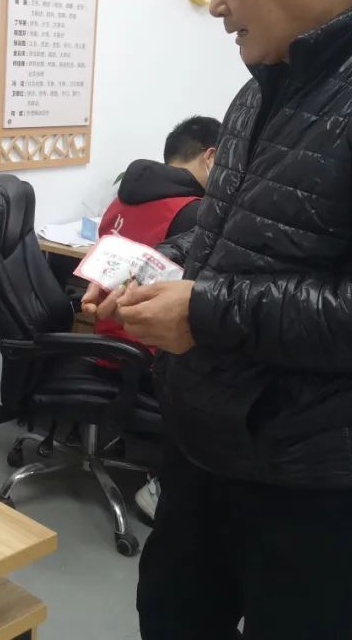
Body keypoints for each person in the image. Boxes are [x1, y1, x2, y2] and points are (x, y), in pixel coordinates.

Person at [83, 0, 352, 640]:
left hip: (324, 485)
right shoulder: (263, 86)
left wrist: (204, 312)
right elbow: (225, 229)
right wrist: (151, 270)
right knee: (169, 618)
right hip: (209, 454)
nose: (213, 5)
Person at [94, 115, 221, 520]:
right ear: (211, 157)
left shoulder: (121, 198)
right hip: (148, 349)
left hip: (102, 334)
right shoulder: (194, 213)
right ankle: (166, 483)